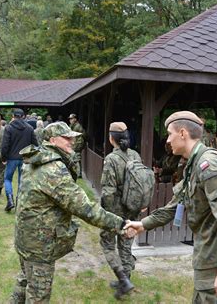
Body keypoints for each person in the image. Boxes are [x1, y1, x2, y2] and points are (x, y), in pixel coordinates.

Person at [125, 111, 217, 303]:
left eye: (170, 134)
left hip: (215, 255)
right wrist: (143, 224)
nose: (167, 140)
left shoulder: (208, 166)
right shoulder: (194, 164)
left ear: (182, 133)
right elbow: (176, 204)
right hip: (206, 251)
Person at [11, 122, 129, 303]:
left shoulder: (36, 158)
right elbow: (85, 208)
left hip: (26, 237)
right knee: (38, 295)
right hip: (39, 245)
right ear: (52, 140)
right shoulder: (52, 169)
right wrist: (121, 224)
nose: (72, 141)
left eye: (72, 137)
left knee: (24, 279)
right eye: (66, 138)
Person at [100, 122, 140, 298]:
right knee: (126, 244)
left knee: (107, 242)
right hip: (132, 208)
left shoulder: (111, 159)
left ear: (111, 139)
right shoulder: (135, 155)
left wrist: (104, 214)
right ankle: (126, 279)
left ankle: (123, 280)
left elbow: (108, 191)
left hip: (115, 210)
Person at [1, 108, 38, 212]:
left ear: (13, 116)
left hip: (12, 158)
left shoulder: (8, 128)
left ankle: (10, 200)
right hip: (25, 158)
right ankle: (19, 202)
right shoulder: (30, 128)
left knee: (8, 179)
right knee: (21, 181)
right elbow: (35, 144)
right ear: (23, 116)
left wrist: (4, 157)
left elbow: (5, 145)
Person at [68, 113, 86, 178]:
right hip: (74, 144)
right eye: (70, 119)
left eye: (71, 119)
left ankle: (79, 174)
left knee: (77, 159)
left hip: (77, 145)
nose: (70, 120)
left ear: (75, 119)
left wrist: (78, 145)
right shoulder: (72, 126)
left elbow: (83, 135)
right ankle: (76, 172)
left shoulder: (78, 126)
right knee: (74, 158)